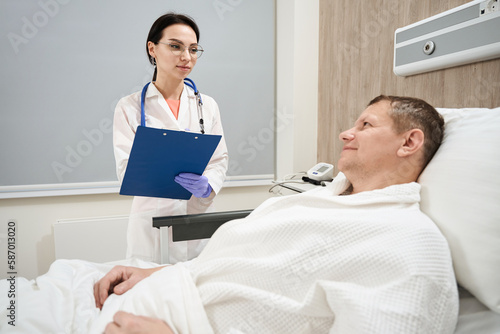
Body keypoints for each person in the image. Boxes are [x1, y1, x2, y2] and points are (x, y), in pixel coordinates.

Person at [91, 95, 457, 334]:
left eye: (366, 125)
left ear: (409, 143)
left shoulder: (410, 243)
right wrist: (160, 272)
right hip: (154, 292)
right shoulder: (315, 200)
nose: (346, 132)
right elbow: (238, 262)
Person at [113, 13, 228, 264]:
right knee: (149, 295)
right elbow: (126, 169)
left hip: (196, 220)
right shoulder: (129, 107)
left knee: (193, 294)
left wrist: (207, 184)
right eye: (175, 46)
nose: (186, 57)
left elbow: (219, 159)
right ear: (152, 49)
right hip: (151, 223)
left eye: (193, 49)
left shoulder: (206, 105)